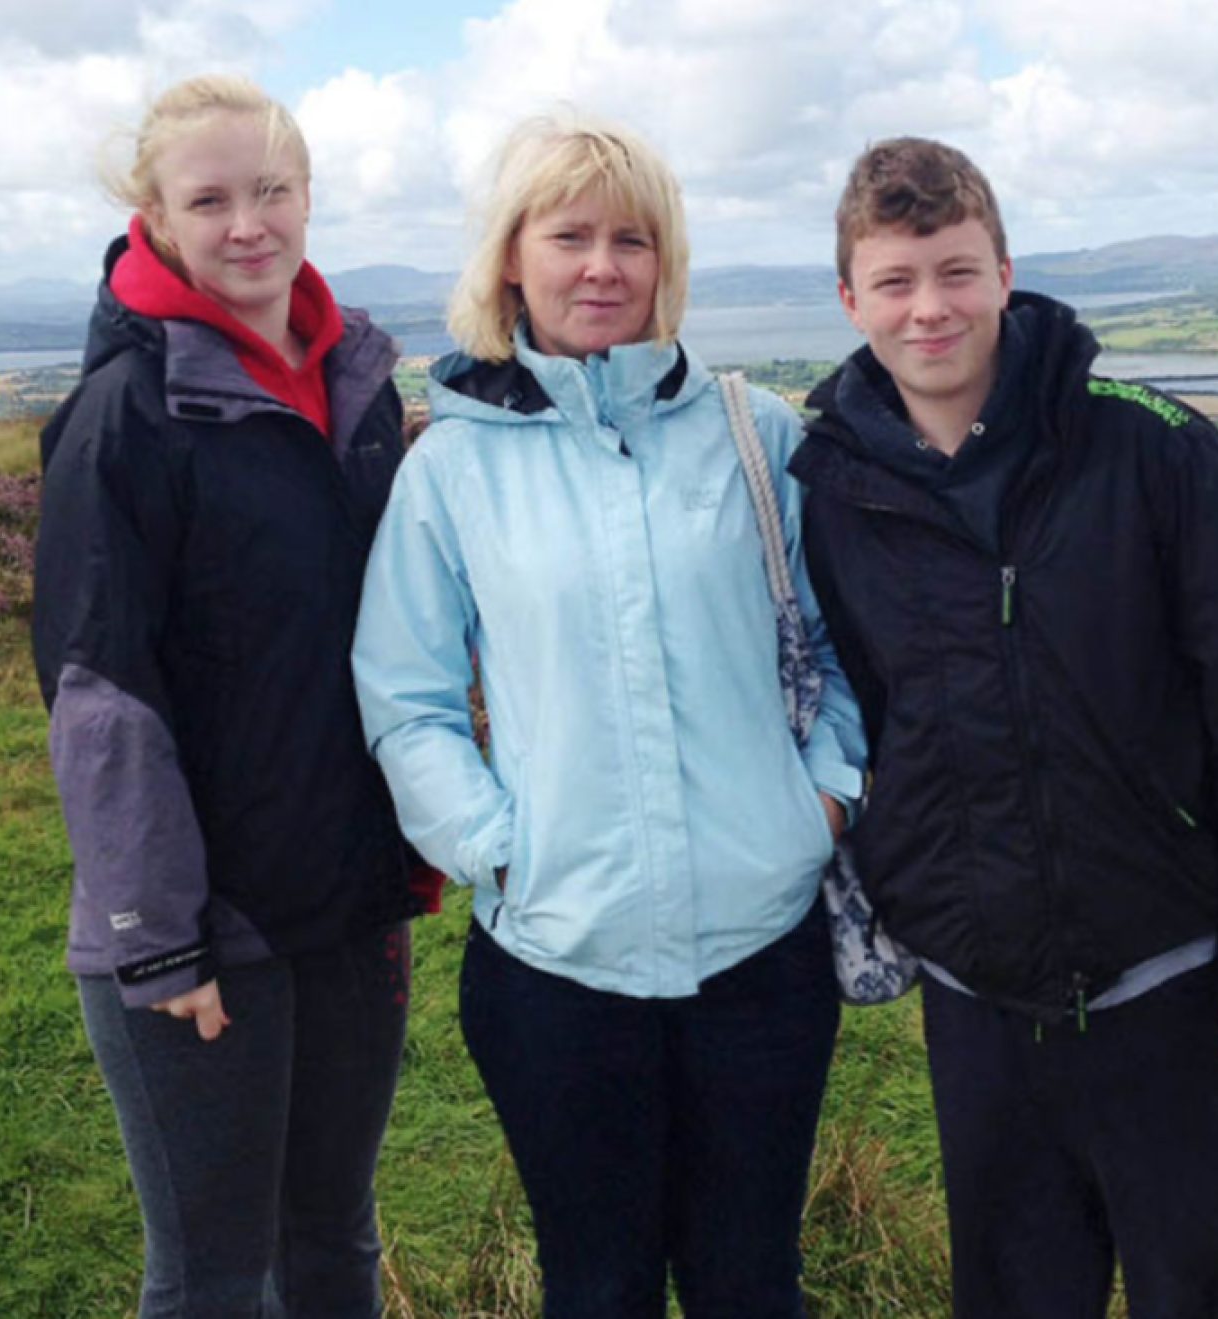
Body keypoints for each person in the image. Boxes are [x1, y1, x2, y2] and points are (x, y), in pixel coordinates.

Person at [788, 137, 1218, 1319]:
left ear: (1006, 271)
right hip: (979, 997)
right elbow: (846, 699)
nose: (928, 308)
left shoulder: (1151, 444)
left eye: (954, 271)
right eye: (894, 281)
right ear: (850, 298)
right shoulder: (832, 485)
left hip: (1182, 983)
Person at [351, 112, 866, 1318]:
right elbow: (407, 697)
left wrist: (824, 801)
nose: (601, 266)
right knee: (598, 1288)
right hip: (556, 966)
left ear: (665, 262)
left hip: (763, 951)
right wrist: (496, 846)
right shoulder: (451, 469)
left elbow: (843, 649)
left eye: (631, 239)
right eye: (568, 234)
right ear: (511, 258)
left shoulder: (760, 435)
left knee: (751, 1282)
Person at [32, 75, 431, 1318]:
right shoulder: (126, 414)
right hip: (204, 922)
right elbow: (101, 693)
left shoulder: (356, 386)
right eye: (211, 200)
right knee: (215, 1274)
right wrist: (161, 935)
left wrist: (395, 875)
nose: (248, 223)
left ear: (309, 196)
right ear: (154, 215)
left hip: (346, 906)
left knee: (333, 1243)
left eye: (272, 192)